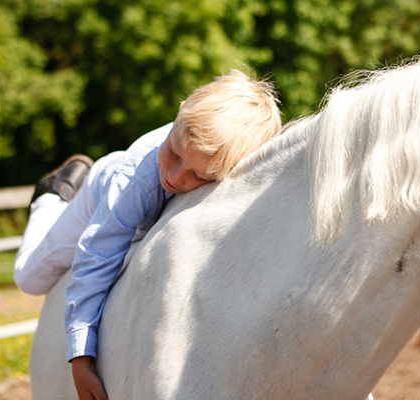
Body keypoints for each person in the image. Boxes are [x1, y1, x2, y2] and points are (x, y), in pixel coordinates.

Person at [14, 69, 282, 400]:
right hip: (101, 196)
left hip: (144, 221)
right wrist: (81, 359)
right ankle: (54, 195)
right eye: (174, 153)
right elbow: (96, 256)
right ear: (179, 111)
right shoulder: (136, 179)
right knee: (29, 279)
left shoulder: (226, 168)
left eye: (197, 176)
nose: (174, 176)